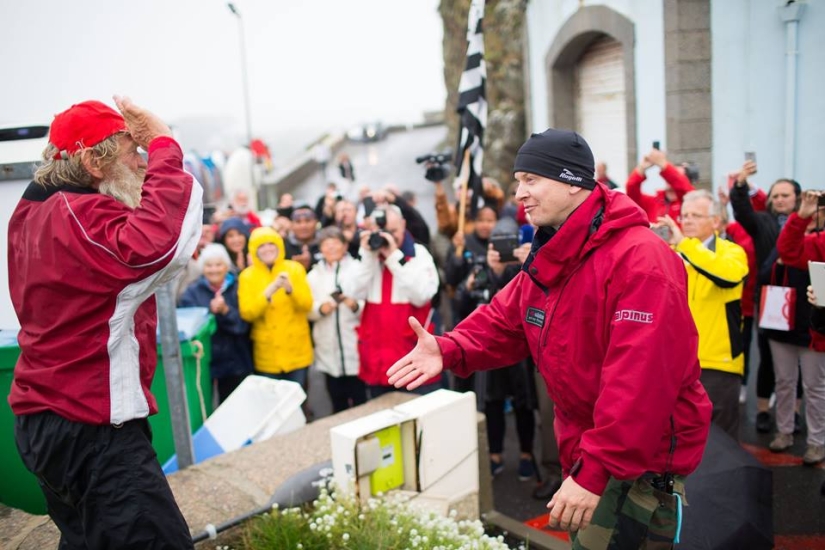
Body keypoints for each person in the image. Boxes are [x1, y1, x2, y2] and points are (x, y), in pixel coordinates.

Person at [387, 129, 712, 545]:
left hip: (635, 465)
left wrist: (594, 472)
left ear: (573, 182)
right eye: (518, 181)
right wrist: (449, 347)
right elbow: (506, 319)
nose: (519, 193)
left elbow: (640, 384)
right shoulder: (557, 249)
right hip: (589, 449)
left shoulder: (641, 259)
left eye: (530, 180)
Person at [8, 97, 202, 548]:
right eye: (131, 154)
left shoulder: (35, 212)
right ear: (94, 162)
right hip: (90, 426)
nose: (140, 164)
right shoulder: (82, 217)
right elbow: (160, 246)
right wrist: (163, 145)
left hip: (47, 418)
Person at [657, 190, 748, 439]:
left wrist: (685, 246)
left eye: (695, 215)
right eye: (684, 215)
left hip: (717, 364)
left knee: (721, 440)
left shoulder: (732, 252)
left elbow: (728, 275)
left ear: (716, 221)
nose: (686, 221)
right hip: (676, 361)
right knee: (677, 436)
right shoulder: (674, 251)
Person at [350, 205, 441, 398]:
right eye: (382, 232)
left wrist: (393, 257)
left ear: (403, 225)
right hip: (377, 361)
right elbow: (352, 291)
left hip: (412, 359)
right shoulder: (369, 255)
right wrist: (367, 256)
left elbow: (422, 295)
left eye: (392, 231)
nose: (387, 237)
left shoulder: (418, 254)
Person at [238, 227, 314, 391]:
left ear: (279, 246)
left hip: (297, 350)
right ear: (254, 250)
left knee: (298, 399)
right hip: (268, 355)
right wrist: (268, 293)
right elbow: (247, 313)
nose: (267, 249)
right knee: (273, 403)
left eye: (271, 244)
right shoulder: (247, 276)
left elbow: (307, 305)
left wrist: (290, 290)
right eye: (261, 246)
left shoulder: (295, 269)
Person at [179, 243, 253, 404]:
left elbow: (243, 326)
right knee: (205, 405)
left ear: (226, 266)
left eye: (218, 265)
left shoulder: (238, 287)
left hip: (235, 360)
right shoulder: (192, 291)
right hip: (205, 359)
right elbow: (188, 327)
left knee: (235, 406)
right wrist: (209, 311)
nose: (214, 270)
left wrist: (226, 311)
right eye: (209, 265)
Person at [306, 227, 366, 413]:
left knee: (360, 400)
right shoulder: (313, 275)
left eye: (335, 243)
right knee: (336, 401)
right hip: (328, 347)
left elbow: (369, 302)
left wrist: (355, 305)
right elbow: (307, 309)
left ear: (345, 246)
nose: (331, 248)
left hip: (354, 344)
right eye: (326, 244)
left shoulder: (359, 269)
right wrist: (320, 309)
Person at [625, 147, 694, 223]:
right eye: (673, 172)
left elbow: (684, 188)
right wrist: (641, 167)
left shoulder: (687, 203)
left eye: (676, 174)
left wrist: (663, 164)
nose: (670, 177)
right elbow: (632, 190)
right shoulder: (653, 202)